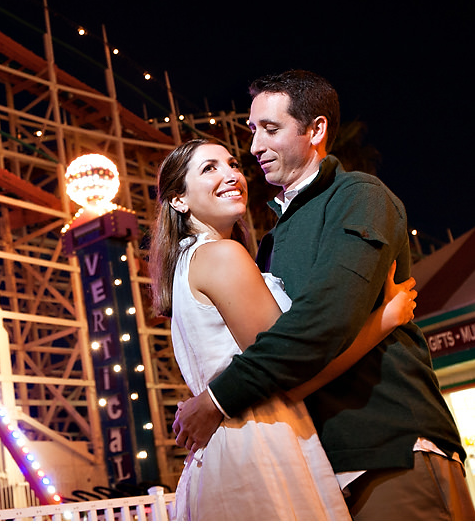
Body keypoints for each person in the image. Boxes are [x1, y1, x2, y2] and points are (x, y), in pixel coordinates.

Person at [171, 70, 475, 520]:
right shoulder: (270, 241)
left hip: (387, 448)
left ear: (315, 130)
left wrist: (216, 399)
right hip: (314, 463)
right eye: (253, 131)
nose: (252, 148)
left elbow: (322, 323)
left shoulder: (357, 196)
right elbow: (284, 350)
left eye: (270, 129)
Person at [149, 137, 417, 520]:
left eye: (232, 164)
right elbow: (291, 372)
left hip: (225, 451)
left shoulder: (189, 264)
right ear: (179, 199)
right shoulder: (221, 256)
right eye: (209, 169)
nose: (231, 175)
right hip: (261, 447)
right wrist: (383, 320)